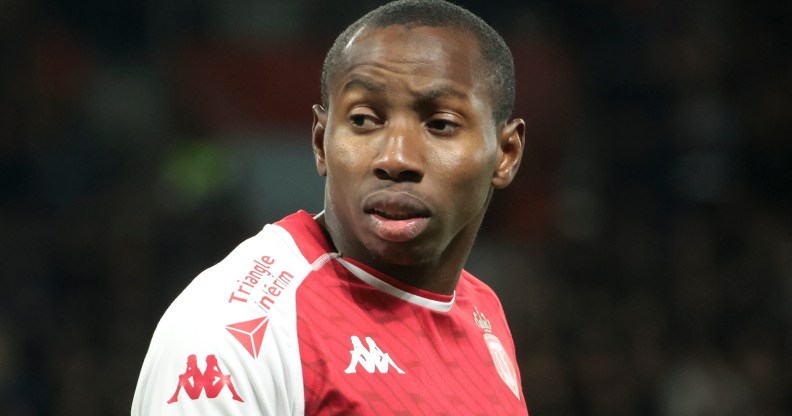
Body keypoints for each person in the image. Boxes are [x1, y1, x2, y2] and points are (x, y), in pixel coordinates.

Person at [132, 0, 529, 414]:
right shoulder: (237, 327)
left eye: (441, 124)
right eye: (363, 120)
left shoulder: (483, 310)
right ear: (321, 142)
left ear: (506, 152)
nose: (395, 158)